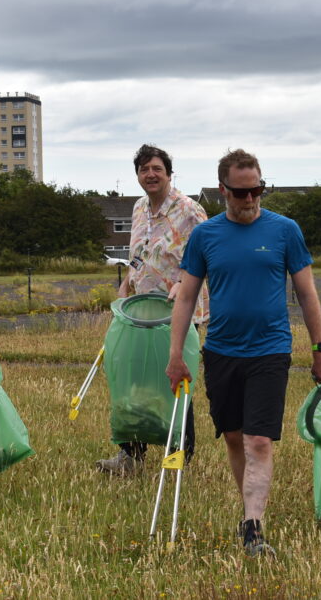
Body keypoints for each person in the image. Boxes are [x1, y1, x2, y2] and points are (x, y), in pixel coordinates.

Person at [165, 149, 321, 557]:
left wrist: (320, 349)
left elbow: (307, 293)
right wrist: (175, 355)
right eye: (240, 193)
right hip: (221, 351)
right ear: (223, 190)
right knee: (235, 438)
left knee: (259, 440)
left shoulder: (285, 231)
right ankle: (247, 513)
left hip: (271, 350)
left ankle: (253, 528)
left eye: (257, 190)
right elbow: (186, 297)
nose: (250, 200)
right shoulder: (206, 236)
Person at [96, 144, 209, 475]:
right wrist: (127, 282)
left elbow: (207, 257)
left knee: (176, 380)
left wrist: (183, 283)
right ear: (138, 176)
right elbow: (139, 253)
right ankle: (130, 455)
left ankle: (178, 456)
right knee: (135, 381)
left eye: (156, 169)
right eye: (144, 169)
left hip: (179, 311)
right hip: (140, 311)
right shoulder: (138, 209)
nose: (150, 174)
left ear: (169, 173)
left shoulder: (190, 211)